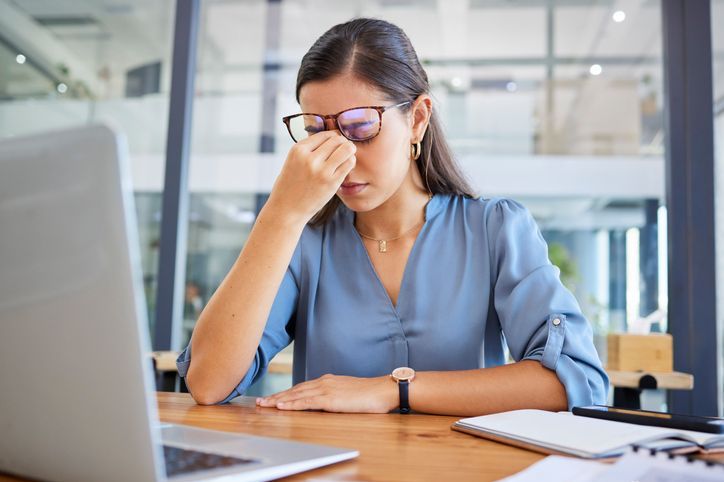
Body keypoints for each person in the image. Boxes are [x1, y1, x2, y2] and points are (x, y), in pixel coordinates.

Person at [177, 18, 608, 416]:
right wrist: (281, 213)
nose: (339, 156)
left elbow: (577, 383)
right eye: (315, 132)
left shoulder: (495, 229)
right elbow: (210, 383)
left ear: (418, 119)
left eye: (360, 128)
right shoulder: (303, 242)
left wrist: (393, 389)